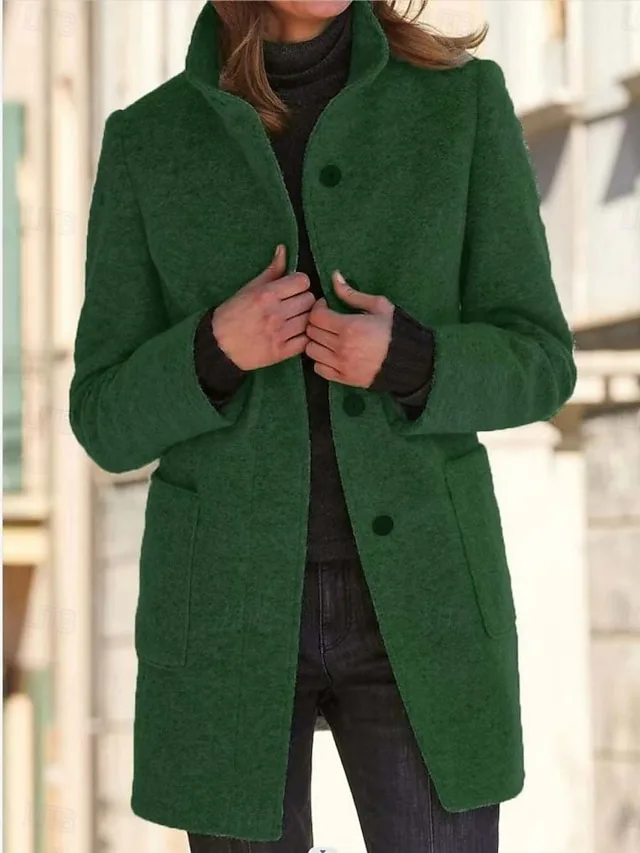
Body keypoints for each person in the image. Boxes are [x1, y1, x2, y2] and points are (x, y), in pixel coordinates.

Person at [68, 1, 578, 851]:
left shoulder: (459, 104)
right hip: (225, 610)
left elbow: (542, 361)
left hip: (424, 600)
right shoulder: (150, 140)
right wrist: (211, 350)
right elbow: (102, 417)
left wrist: (413, 358)